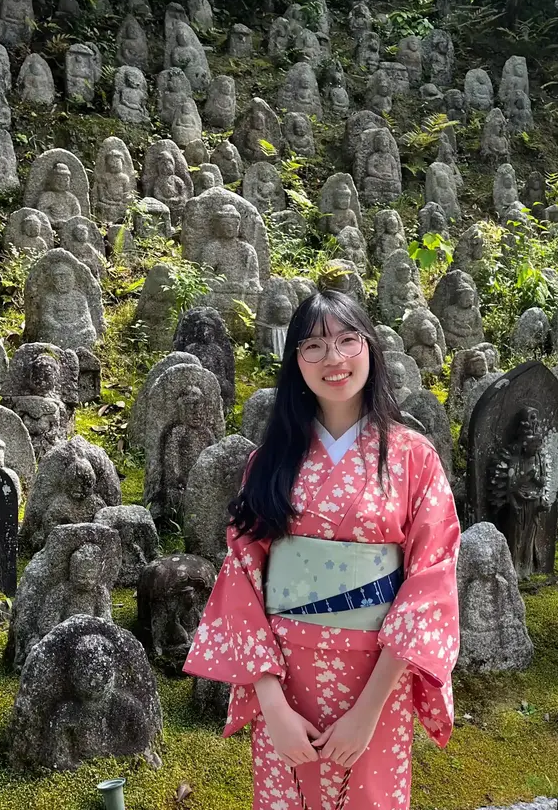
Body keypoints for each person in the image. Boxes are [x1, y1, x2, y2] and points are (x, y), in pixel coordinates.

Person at [183, 289, 460, 809]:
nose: (333, 358)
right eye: (313, 346)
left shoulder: (412, 458)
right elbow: (241, 577)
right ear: (295, 363)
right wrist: (271, 706)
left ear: (370, 349)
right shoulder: (270, 461)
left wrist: (368, 711)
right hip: (286, 684)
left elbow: (431, 580)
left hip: (377, 681)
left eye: (347, 340)